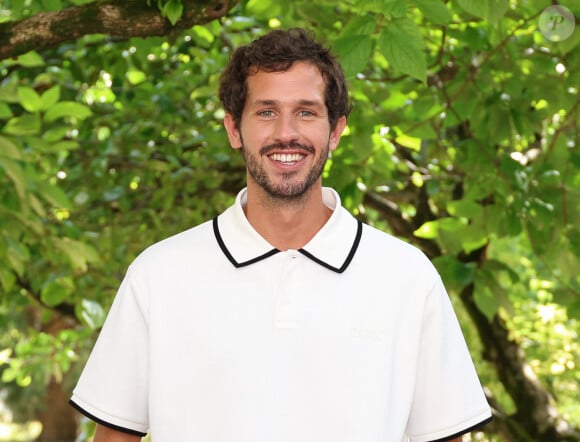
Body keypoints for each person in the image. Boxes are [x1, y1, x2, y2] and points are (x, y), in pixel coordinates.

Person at [70, 28, 492, 442]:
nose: (286, 133)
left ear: (337, 130)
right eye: (267, 111)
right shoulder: (158, 275)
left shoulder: (407, 277)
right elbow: (113, 436)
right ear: (234, 129)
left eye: (306, 112)